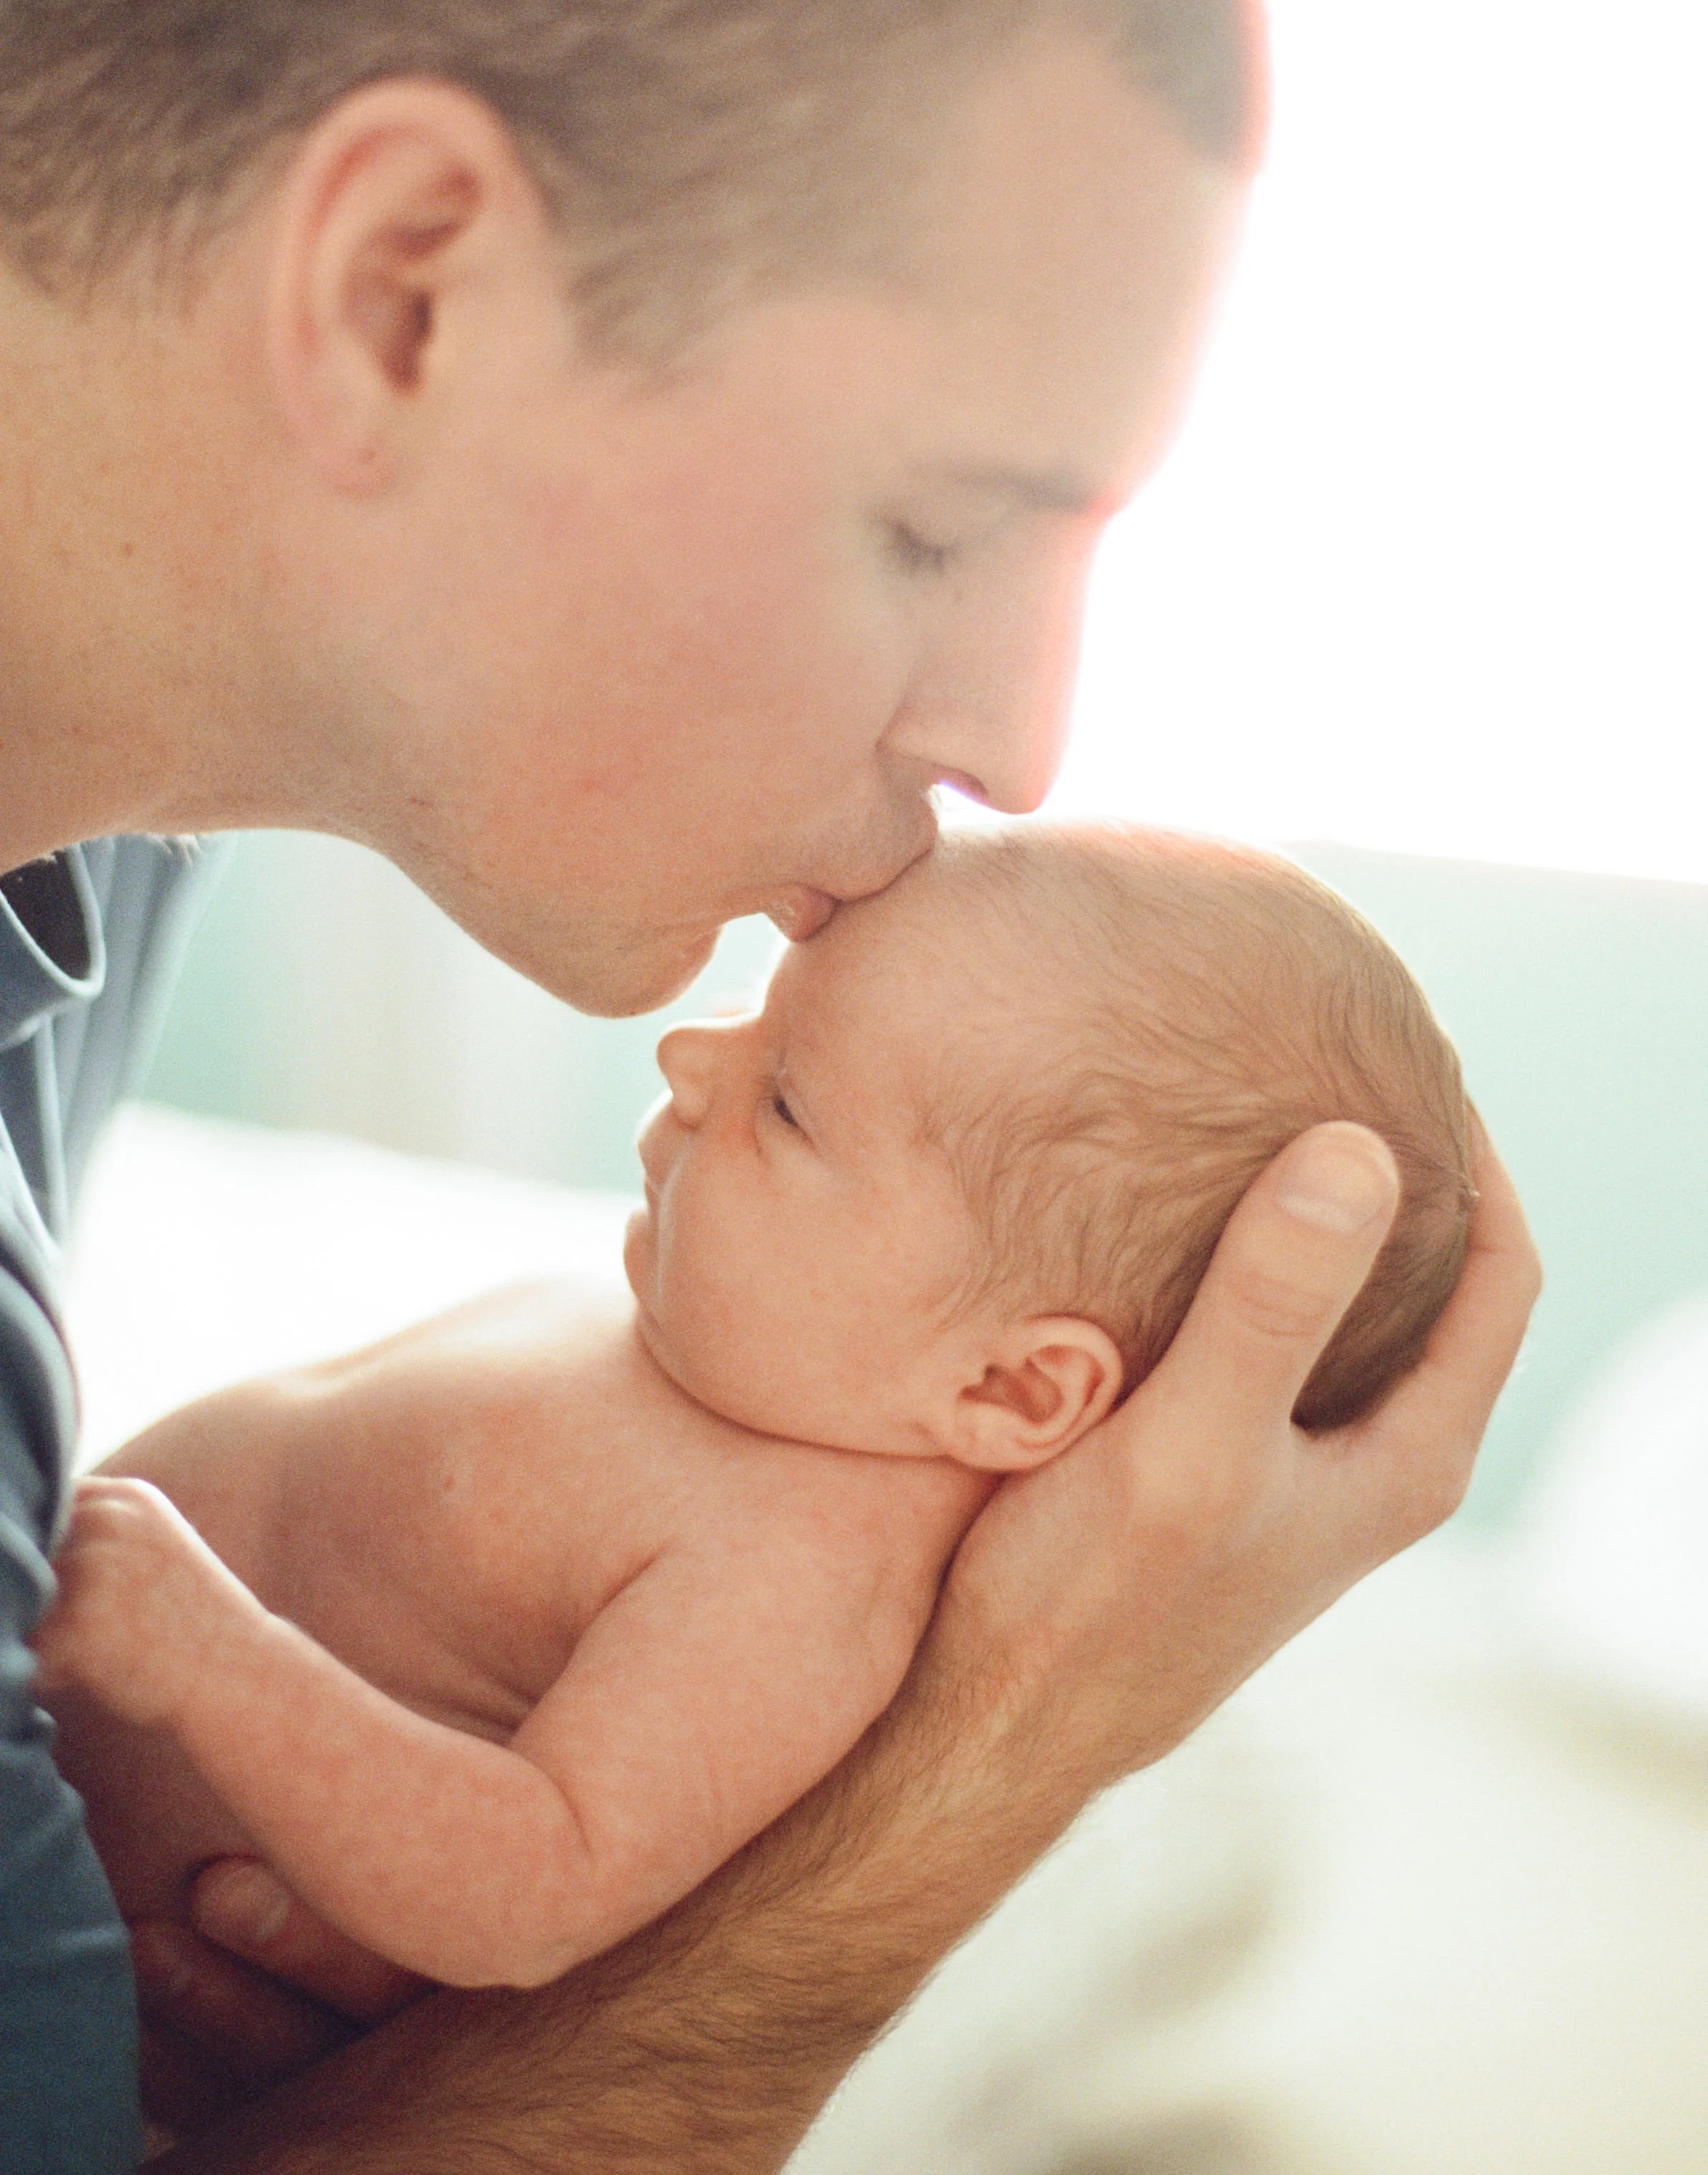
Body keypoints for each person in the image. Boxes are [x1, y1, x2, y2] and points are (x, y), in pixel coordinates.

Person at [0, 0, 1539, 2165]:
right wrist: (1009, 1741)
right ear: (406, 293)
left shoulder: (122, 756)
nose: (1022, 741)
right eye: (943, 523)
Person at [38, 826, 1475, 1998]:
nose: (691, 1058)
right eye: (759, 1012)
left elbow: (538, 1887)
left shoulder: (794, 1566)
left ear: (1008, 1386)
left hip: (93, 1932)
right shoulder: (734, 1354)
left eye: (786, 1102)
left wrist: (206, 1659)